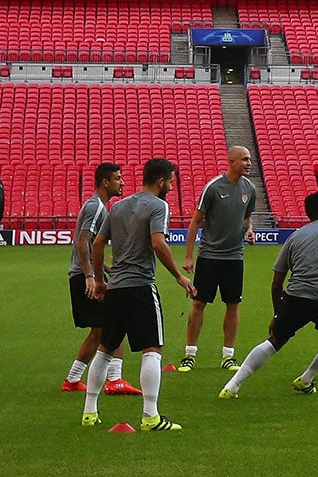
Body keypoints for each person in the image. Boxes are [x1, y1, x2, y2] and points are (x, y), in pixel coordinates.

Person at [82, 157, 197, 432]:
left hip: (117, 288)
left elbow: (97, 243)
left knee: (106, 348)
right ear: (161, 181)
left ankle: (89, 412)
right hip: (141, 286)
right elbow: (158, 243)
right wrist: (179, 276)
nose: (171, 186)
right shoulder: (158, 206)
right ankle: (150, 416)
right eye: (170, 181)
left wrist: (99, 281)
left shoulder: (118, 206)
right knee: (152, 349)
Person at [217, 190, 318, 397]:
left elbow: (276, 282)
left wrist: (277, 315)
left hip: (293, 298)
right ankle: (307, 377)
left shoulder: (295, 236)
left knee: (275, 341)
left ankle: (232, 386)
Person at [177, 146, 258, 374]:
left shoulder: (250, 188)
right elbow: (195, 222)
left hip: (234, 257)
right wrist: (188, 256)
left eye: (250, 159)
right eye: (244, 159)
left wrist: (249, 230)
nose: (249, 163)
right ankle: (190, 354)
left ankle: (228, 356)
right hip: (210, 256)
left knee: (233, 304)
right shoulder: (213, 188)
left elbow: (247, 217)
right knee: (199, 303)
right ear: (231, 161)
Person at [64, 162, 138, 396]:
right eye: (118, 178)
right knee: (115, 322)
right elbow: (83, 242)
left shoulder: (96, 206)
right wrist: (90, 276)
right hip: (84, 276)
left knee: (100, 330)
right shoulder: (97, 207)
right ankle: (114, 379)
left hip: (84, 274)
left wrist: (104, 267)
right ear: (106, 182)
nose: (122, 182)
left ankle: (73, 379)